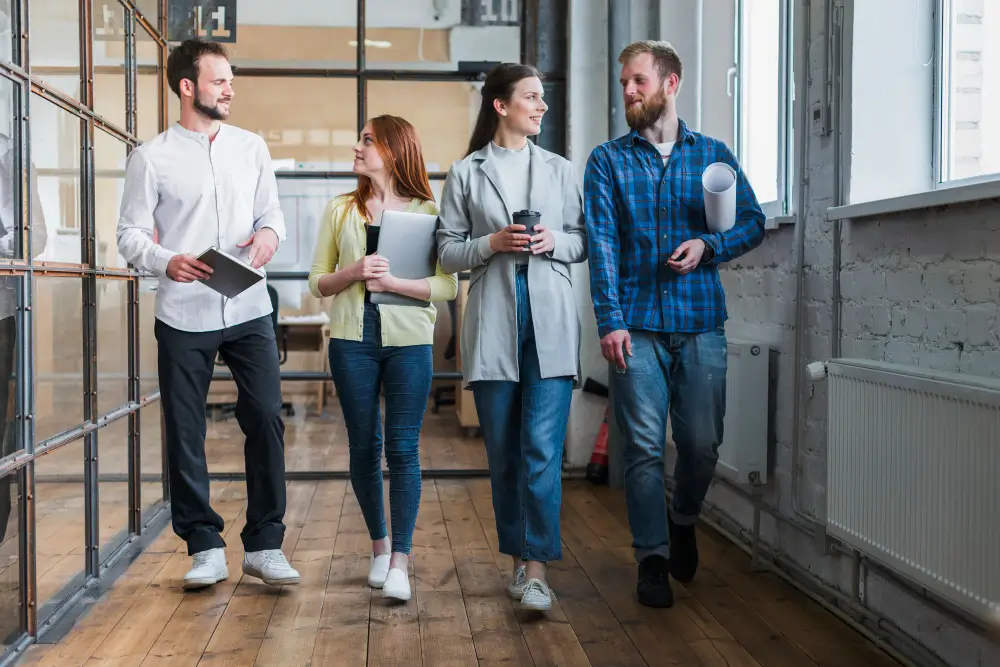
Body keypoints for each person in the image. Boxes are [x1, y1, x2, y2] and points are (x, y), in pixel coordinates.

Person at [584, 40, 765, 608]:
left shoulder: (712, 154)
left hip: (701, 321)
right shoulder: (607, 161)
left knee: (700, 443)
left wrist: (707, 246)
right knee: (640, 447)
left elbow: (754, 223)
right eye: (624, 84)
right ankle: (652, 559)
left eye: (638, 80)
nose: (629, 92)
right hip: (636, 326)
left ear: (671, 83)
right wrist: (610, 322)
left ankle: (683, 517)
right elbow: (603, 246)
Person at [116, 38, 300, 590]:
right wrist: (165, 260)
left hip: (247, 305)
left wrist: (268, 236)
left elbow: (273, 213)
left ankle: (266, 544)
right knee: (185, 429)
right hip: (182, 312)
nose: (230, 90)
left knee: (266, 416)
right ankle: (204, 545)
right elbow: (127, 234)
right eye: (220, 81)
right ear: (187, 86)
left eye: (231, 81)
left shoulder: (252, 147)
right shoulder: (151, 158)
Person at [436, 63, 588, 611]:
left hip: (549, 320)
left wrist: (553, 241)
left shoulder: (561, 169)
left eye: (543, 97)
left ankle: (536, 569)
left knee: (541, 449)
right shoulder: (466, 173)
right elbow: (448, 252)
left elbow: (582, 241)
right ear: (501, 105)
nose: (542, 106)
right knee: (504, 452)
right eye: (531, 97)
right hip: (495, 322)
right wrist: (492, 243)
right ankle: (520, 557)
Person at [308, 115, 458, 603]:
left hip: (409, 342)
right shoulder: (340, 210)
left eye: (367, 140)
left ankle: (401, 562)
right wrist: (352, 271)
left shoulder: (428, 211)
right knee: (364, 448)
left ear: (393, 150)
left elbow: (447, 285)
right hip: (352, 343)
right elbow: (318, 282)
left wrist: (394, 285)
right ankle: (379, 546)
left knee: (403, 448)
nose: (357, 147)